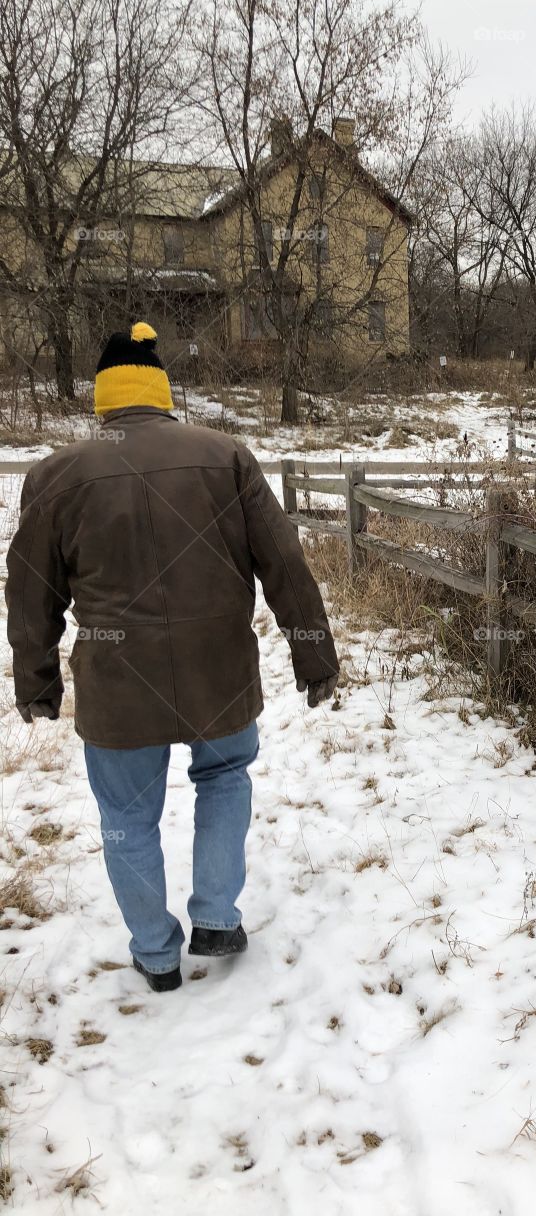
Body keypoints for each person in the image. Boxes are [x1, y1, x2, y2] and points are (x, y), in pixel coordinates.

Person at [5, 322, 339, 993]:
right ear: (162, 390)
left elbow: (30, 594)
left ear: (103, 396)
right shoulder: (226, 456)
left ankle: (156, 955)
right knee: (225, 778)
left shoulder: (56, 474)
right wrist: (314, 657)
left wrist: (35, 680)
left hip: (117, 686)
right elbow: (285, 565)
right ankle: (216, 917)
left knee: (126, 817)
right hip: (219, 672)